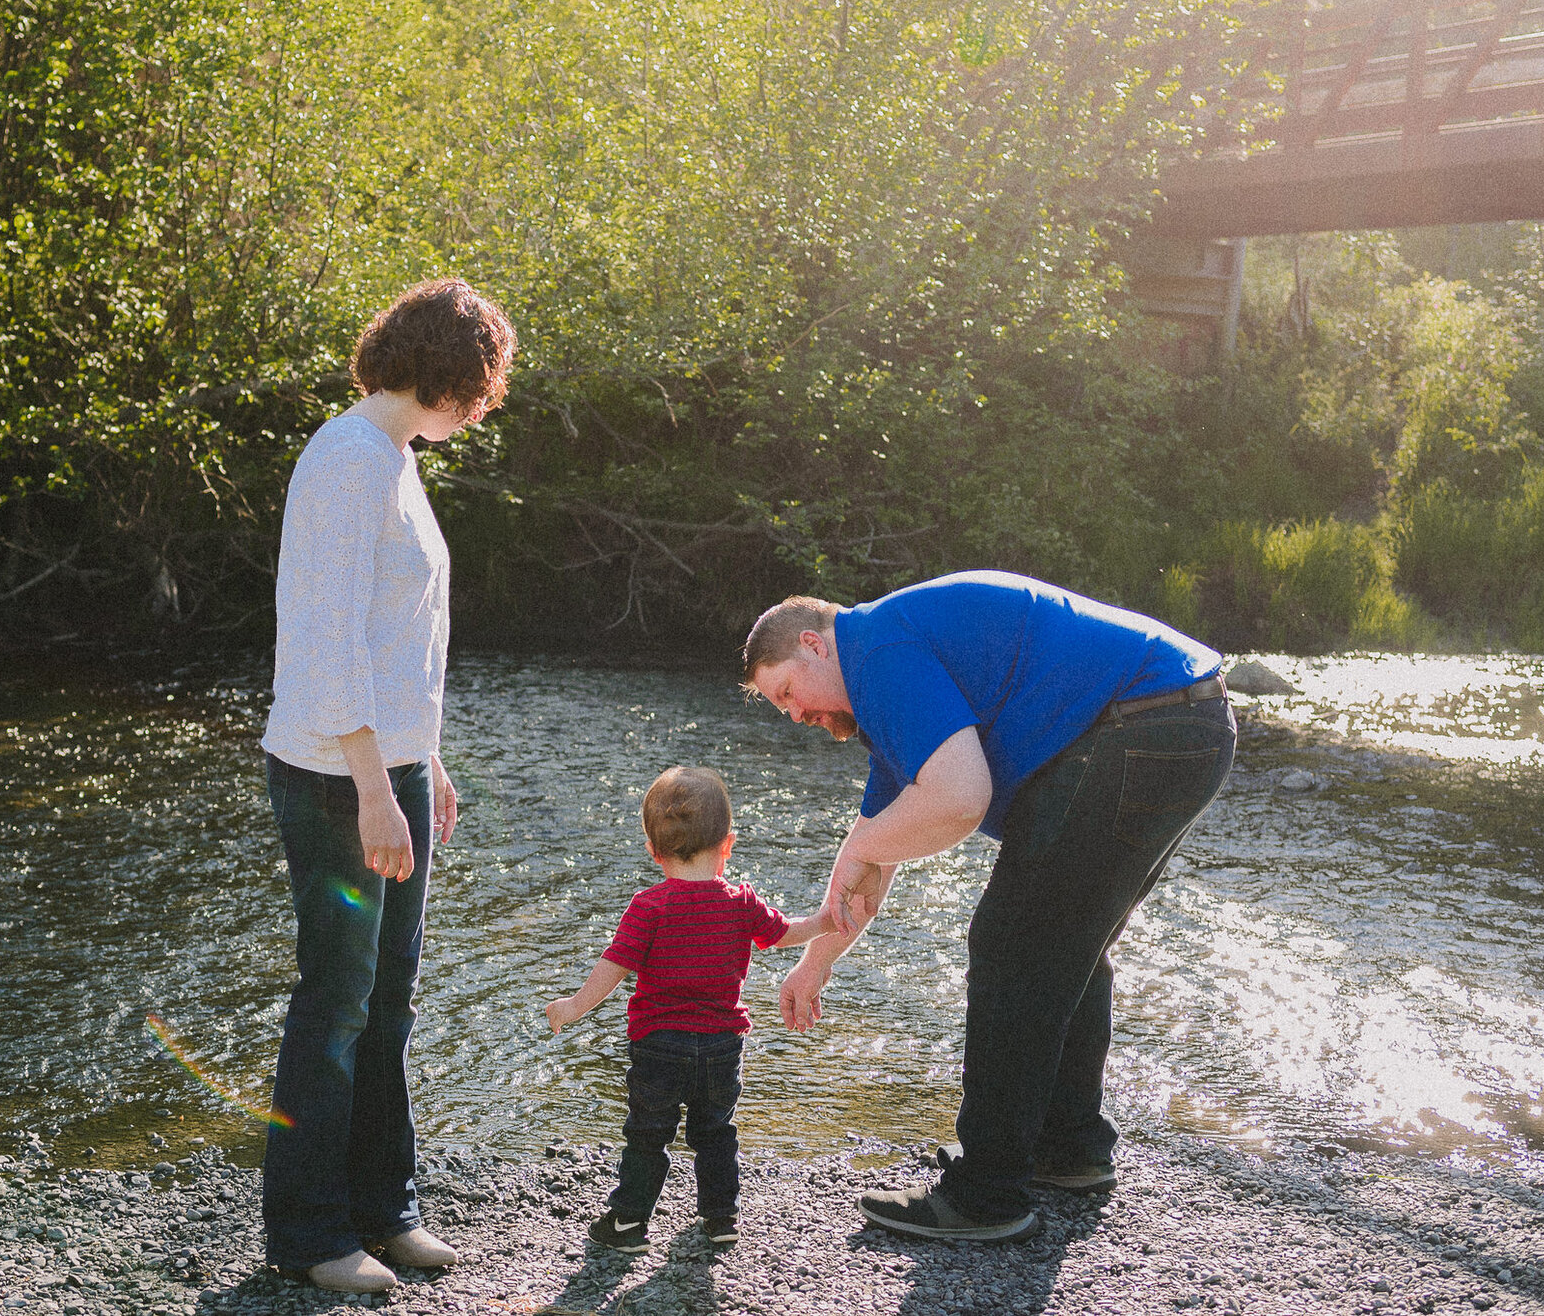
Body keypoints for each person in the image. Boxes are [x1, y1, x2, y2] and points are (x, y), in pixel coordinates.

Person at [741, 570, 1234, 1244]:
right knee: (1065, 943)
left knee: (1012, 943)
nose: (796, 715)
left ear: (813, 644)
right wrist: (815, 966)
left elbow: (959, 797)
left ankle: (987, 1193)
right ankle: (1069, 1148)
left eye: (788, 693)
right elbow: (877, 857)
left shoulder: (879, 650)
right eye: (782, 709)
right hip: (1182, 720)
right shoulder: (888, 686)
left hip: (1143, 719)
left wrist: (861, 841)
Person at [259, 277, 515, 1293]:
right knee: (336, 1000)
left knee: (390, 998)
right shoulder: (346, 462)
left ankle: (385, 1208)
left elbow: (395, 635)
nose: (485, 406)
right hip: (334, 775)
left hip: (388, 764)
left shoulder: (396, 458)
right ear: (451, 374)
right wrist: (373, 783)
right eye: (483, 385)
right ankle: (311, 1232)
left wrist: (425, 759)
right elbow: (326, 643)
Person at [544, 766, 838, 1254]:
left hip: (659, 1044)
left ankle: (628, 1223)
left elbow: (615, 964)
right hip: (723, 1045)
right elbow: (784, 934)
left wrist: (575, 1006)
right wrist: (825, 921)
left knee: (647, 1134)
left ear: (653, 852)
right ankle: (721, 1217)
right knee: (716, 1131)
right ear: (728, 843)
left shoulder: (649, 906)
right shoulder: (741, 902)